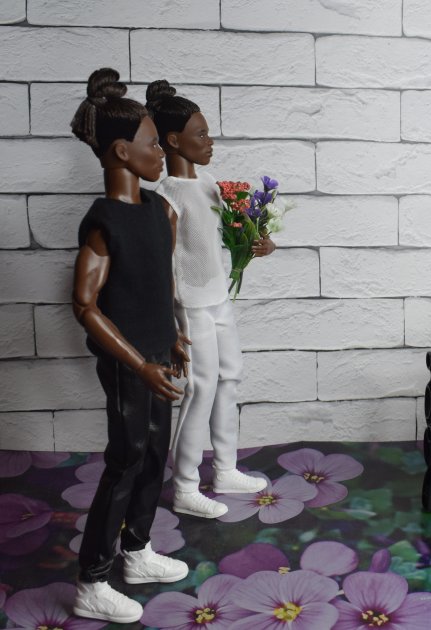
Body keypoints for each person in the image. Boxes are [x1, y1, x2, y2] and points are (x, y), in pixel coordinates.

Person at [70, 68, 189, 624]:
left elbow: (155, 284)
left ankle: (137, 551)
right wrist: (139, 364)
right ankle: (91, 580)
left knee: (155, 454)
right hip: (128, 364)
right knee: (126, 459)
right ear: (122, 151)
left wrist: (173, 336)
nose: (161, 152)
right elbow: (85, 304)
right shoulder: (104, 221)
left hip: (159, 355)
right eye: (152, 143)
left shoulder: (160, 211)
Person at [145, 80, 272, 519]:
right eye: (200, 134)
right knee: (200, 389)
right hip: (191, 306)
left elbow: (227, 236)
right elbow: (161, 264)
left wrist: (258, 242)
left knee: (229, 378)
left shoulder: (208, 182)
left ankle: (225, 470)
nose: (210, 141)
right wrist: (170, 324)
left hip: (219, 299)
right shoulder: (167, 196)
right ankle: (184, 486)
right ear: (173, 140)